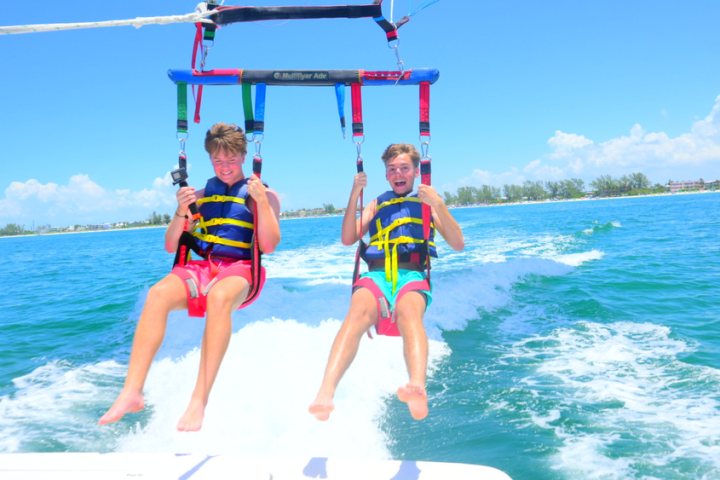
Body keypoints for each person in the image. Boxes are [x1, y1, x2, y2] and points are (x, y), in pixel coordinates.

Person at [99, 123, 281, 432]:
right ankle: (132, 392)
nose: (225, 167)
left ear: (243, 156)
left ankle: (199, 399)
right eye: (218, 161)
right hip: (203, 267)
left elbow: (269, 245)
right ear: (210, 159)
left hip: (241, 270)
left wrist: (261, 201)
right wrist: (180, 211)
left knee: (219, 298)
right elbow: (171, 244)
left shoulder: (261, 194)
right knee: (157, 294)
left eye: (231, 160)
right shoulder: (197, 196)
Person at [309, 143, 464, 421]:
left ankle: (417, 387)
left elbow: (458, 243)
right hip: (376, 274)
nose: (398, 173)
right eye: (392, 169)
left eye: (404, 168)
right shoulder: (376, 203)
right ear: (386, 175)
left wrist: (437, 203)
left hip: (412, 274)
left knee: (408, 313)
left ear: (416, 172)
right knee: (356, 314)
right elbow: (348, 238)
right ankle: (325, 392)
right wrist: (355, 193)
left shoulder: (427, 202)